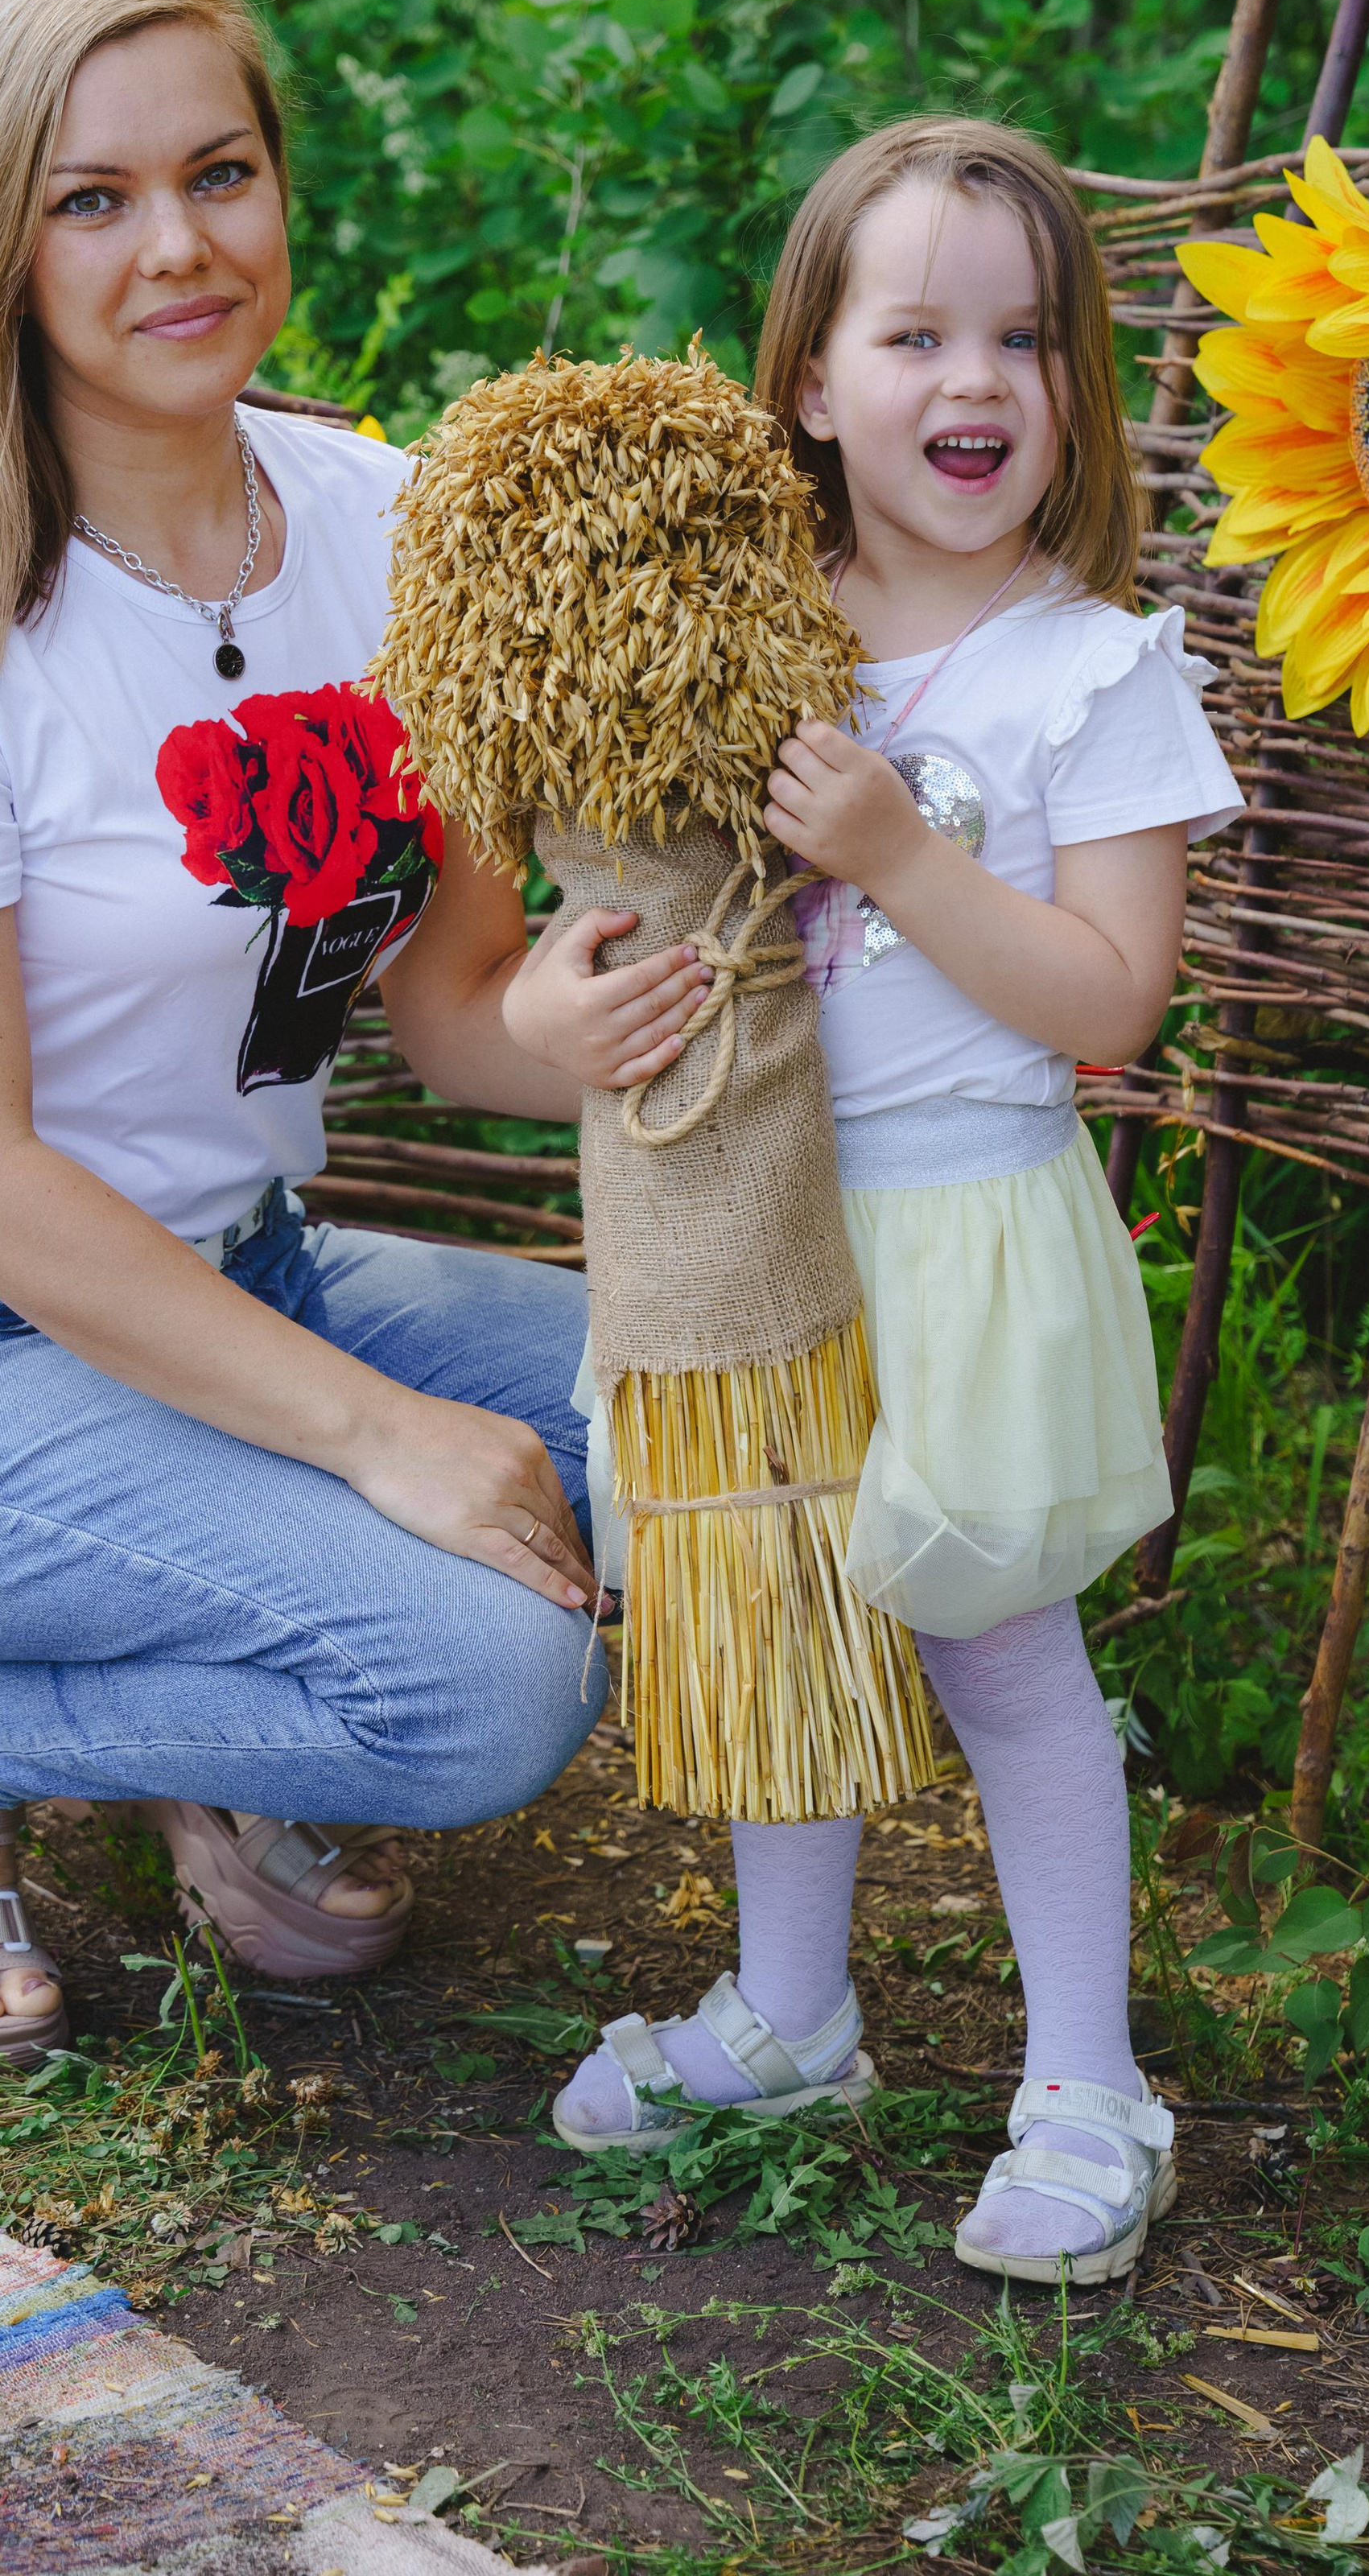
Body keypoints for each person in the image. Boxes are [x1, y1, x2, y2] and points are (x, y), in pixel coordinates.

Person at [0, 0, 710, 2073]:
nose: (178, 245)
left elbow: (449, 1006)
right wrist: (380, 1434)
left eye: (219, 174)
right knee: (493, 1685)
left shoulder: (392, 527)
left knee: (708, 1428)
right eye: (91, 201)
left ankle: (231, 1710)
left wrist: (575, 1024)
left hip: (243, 1267)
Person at [546, 117, 1243, 2285]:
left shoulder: (1088, 668)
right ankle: (790, 2017)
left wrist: (902, 858)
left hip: (961, 1230)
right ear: (810, 382)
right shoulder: (740, 640)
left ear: (1078, 388)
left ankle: (1088, 2083)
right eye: (918, 332)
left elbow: (1112, 1001)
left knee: (1002, 1655)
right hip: (754, 1215)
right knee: (774, 1608)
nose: (979, 380)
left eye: (1025, 338)